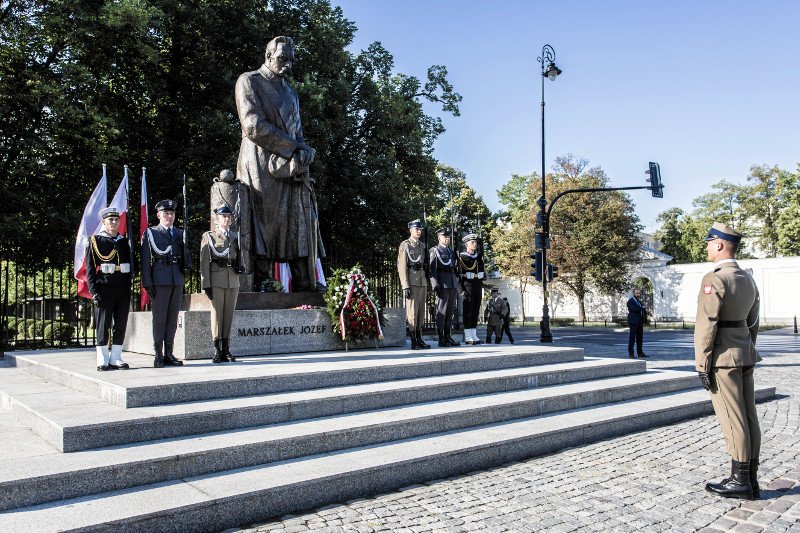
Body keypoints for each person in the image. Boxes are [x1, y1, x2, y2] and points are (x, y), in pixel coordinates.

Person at [235, 35, 324, 292]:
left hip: (291, 165)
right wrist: (293, 147)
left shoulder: (291, 92)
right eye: (283, 59)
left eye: (291, 60)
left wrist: (305, 150)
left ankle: (304, 278)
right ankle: (262, 279)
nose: (288, 65)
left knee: (299, 217)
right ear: (269, 56)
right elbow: (252, 125)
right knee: (265, 219)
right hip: (260, 162)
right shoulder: (249, 81)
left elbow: (297, 132)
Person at [695, 222, 761, 500]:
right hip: (744, 353)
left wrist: (702, 363)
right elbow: (753, 321)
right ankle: (751, 477)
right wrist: (747, 347)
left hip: (723, 358)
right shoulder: (747, 278)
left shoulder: (714, 278)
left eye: (710, 242)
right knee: (748, 415)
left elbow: (706, 325)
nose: (708, 246)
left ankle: (740, 481)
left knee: (733, 419)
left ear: (720, 245)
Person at [141, 199, 187, 368]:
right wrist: (148, 283)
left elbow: (184, 257)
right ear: (159, 215)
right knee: (159, 318)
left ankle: (169, 353)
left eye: (172, 213)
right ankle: (158, 354)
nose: (169, 216)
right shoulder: (151, 233)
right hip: (159, 280)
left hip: (177, 279)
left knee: (172, 319)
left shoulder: (180, 233)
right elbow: (146, 260)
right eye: (166, 213)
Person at [85, 207, 132, 371]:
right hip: (104, 287)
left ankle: (116, 357)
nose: (114, 222)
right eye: (110, 220)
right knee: (103, 324)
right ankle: (102, 359)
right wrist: (93, 291)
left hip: (123, 288)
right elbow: (90, 270)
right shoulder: (95, 241)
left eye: (116, 219)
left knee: (120, 323)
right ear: (104, 222)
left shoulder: (124, 241)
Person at [201, 206, 242, 363]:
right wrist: (206, 284)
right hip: (217, 280)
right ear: (216, 219)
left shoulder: (235, 237)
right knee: (217, 316)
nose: (226, 219)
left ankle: (226, 348)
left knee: (228, 315)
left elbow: (239, 257)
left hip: (232, 280)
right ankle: (217, 349)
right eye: (223, 216)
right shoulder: (209, 236)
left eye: (228, 216)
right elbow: (204, 262)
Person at [397, 219, 431, 350]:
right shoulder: (405, 245)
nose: (419, 231)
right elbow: (401, 266)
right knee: (412, 312)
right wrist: (405, 285)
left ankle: (419, 337)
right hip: (412, 281)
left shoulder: (422, 245)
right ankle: (413, 339)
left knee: (421, 311)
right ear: (410, 230)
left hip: (422, 281)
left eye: (420, 229)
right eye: (416, 229)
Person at [429, 228, 460, 347]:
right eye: (444, 236)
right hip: (442, 284)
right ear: (439, 238)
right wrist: (435, 285)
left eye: (448, 237)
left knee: (450, 311)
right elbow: (432, 270)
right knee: (441, 311)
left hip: (452, 283)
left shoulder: (451, 251)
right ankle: (441, 337)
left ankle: (448, 335)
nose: (447, 238)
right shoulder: (435, 250)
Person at [458, 233, 486, 345]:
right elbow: (459, 274)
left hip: (477, 285)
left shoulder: (478, 256)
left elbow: (483, 271)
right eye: (472, 242)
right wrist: (461, 289)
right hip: (468, 286)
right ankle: (468, 336)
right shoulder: (462, 257)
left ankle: (474, 334)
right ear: (466, 244)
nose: (475, 244)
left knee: (475, 310)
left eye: (475, 242)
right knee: (468, 311)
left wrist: (482, 275)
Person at [627, 288, 648, 358]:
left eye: (639, 293)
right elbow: (634, 309)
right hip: (633, 322)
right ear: (634, 294)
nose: (638, 295)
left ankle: (640, 353)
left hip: (640, 322)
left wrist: (645, 320)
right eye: (637, 293)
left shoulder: (639, 302)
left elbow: (642, 311)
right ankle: (631, 353)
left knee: (640, 338)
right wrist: (642, 307)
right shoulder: (630, 301)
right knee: (632, 338)